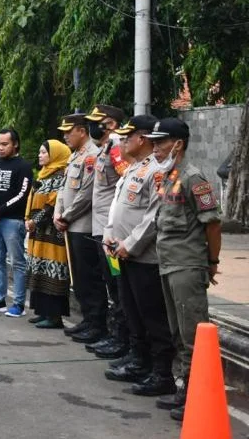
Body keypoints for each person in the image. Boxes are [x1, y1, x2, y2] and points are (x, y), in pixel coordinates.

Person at [146, 118, 223, 423]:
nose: (155, 148)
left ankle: (197, 393)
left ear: (178, 143)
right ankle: (184, 389)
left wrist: (212, 262)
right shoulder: (170, 176)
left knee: (193, 333)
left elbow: (213, 224)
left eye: (160, 142)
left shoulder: (194, 177)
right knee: (177, 331)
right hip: (168, 264)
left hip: (187, 266)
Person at [101, 115, 176, 397]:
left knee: (151, 315)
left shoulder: (156, 171)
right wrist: (109, 234)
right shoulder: (134, 169)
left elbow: (153, 216)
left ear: (140, 139)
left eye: (126, 137)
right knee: (131, 310)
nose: (121, 142)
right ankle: (138, 360)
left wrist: (130, 244)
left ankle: (160, 372)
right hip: (121, 252)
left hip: (143, 256)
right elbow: (118, 209)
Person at [55, 113, 109, 345]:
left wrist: (66, 216)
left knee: (90, 278)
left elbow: (86, 194)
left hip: (84, 225)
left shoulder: (92, 156)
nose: (66, 136)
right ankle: (88, 320)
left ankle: (97, 323)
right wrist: (58, 212)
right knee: (79, 279)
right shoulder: (75, 156)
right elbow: (63, 188)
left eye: (69, 131)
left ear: (82, 131)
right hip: (70, 224)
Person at [84, 105, 132, 360]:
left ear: (111, 124)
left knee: (117, 284)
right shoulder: (106, 148)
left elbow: (125, 183)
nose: (93, 126)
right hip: (102, 230)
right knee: (112, 284)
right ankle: (116, 336)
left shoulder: (115, 148)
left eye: (97, 122)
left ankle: (121, 339)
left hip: (111, 233)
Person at [0, 128, 33, 317]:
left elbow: (22, 194)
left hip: (13, 220)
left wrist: (0, 209)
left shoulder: (24, 166)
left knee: (17, 262)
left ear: (15, 144)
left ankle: (18, 303)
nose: (0, 148)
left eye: (4, 144)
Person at [25, 139, 72, 328]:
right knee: (39, 269)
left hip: (52, 233)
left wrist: (34, 222)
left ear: (55, 155)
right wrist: (28, 220)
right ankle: (42, 311)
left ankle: (54, 316)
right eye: (40, 152)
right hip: (38, 233)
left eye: (44, 152)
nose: (40, 155)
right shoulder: (43, 175)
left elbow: (52, 204)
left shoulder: (60, 176)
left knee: (53, 271)